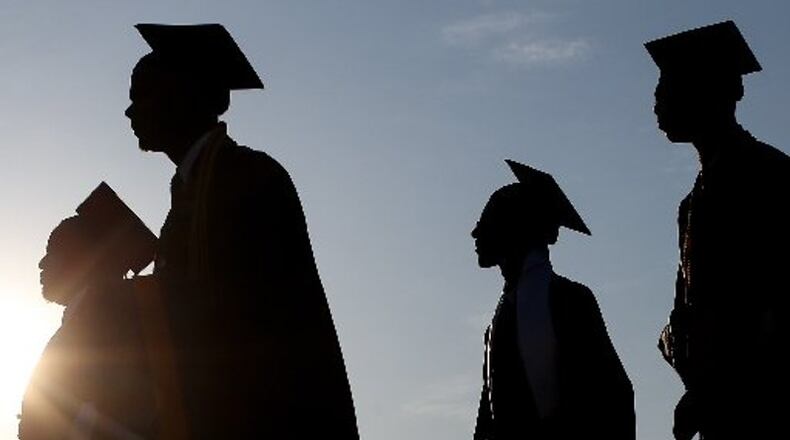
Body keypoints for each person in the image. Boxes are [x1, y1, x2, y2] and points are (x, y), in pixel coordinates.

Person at [125, 24, 358, 438]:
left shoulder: (247, 177)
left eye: (142, 94)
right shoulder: (191, 192)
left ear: (183, 93)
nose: (131, 112)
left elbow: (260, 319)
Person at [647, 21, 790, 440]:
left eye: (669, 87)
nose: (657, 102)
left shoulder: (769, 176)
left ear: (710, 91)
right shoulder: (692, 204)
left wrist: (719, 385)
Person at [472, 160, 634, 440]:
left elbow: (613, 396)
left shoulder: (570, 302)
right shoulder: (498, 324)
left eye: (488, 220)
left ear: (516, 228)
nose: (476, 232)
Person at [19, 183, 158, 440]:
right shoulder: (91, 319)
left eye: (53, 251)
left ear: (83, 258)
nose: (42, 263)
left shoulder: (108, 322)